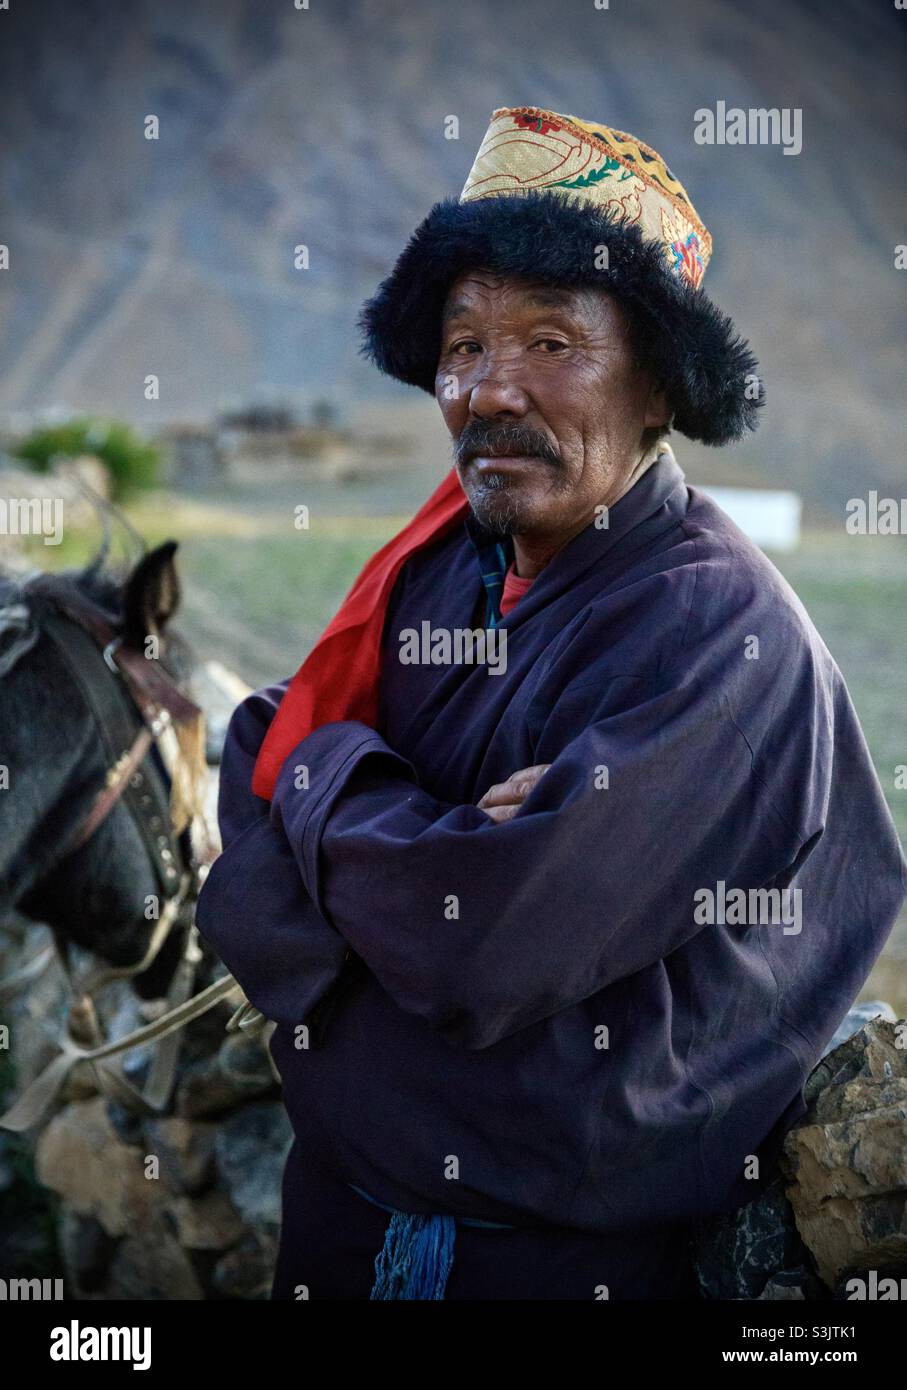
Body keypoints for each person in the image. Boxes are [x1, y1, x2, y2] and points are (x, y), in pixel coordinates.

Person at [195, 106, 906, 1300]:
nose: (487, 390)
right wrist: (401, 811)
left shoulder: (716, 638)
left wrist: (353, 817)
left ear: (656, 391)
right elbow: (261, 759)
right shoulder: (441, 570)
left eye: (550, 342)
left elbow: (477, 944)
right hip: (331, 1236)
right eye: (464, 346)